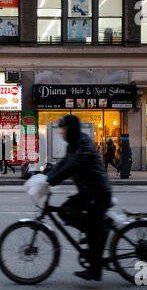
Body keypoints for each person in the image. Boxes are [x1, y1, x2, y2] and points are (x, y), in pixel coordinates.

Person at [26, 115, 112, 281]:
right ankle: (94, 230)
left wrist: (51, 181)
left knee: (93, 228)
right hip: (88, 191)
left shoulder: (83, 143)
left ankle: (95, 269)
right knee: (65, 211)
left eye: (63, 129)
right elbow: (63, 164)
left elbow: (73, 166)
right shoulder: (74, 144)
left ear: (71, 129)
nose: (61, 133)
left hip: (98, 192)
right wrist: (46, 177)